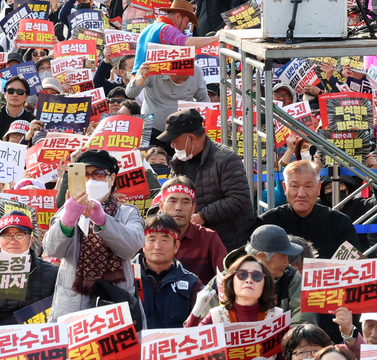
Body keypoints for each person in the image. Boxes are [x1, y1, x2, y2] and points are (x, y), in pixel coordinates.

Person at [42, 149, 145, 342]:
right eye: (85, 175)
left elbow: (131, 247)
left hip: (115, 305)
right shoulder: (68, 210)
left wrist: (102, 220)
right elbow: (52, 249)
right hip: (72, 305)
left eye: (99, 174)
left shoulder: (128, 213)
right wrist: (68, 218)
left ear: (112, 179)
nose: (91, 180)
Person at [157, 109, 254, 252]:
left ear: (191, 138)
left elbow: (239, 198)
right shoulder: (180, 159)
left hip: (229, 242)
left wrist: (203, 216)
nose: (172, 145)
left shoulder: (226, 158)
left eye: (175, 140)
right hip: (192, 240)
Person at [256, 162, 358, 259]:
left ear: (318, 188)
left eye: (308, 186)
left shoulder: (339, 223)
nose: (301, 194)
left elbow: (353, 266)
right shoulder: (267, 223)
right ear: (285, 188)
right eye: (295, 186)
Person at [139, 212, 200, 329]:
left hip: (177, 345)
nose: (157, 246)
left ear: (176, 246)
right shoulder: (125, 276)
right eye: (151, 239)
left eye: (164, 240)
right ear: (143, 244)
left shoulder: (192, 283)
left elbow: (203, 323)